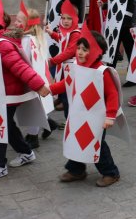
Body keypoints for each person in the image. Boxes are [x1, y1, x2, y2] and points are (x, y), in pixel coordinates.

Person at [0, 1, 51, 181]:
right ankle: (26, 152)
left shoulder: (1, 44)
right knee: (7, 126)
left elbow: (19, 66)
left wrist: (39, 85)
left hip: (6, 93)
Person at [56, 30, 121, 187]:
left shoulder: (101, 71)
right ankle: (76, 169)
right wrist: (49, 89)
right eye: (79, 48)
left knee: (96, 143)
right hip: (78, 113)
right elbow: (66, 83)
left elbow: (112, 94)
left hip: (97, 116)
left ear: (97, 52)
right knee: (75, 139)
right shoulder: (76, 67)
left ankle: (110, 172)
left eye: (85, 49)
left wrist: (110, 116)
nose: (80, 52)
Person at [14, 1, 59, 148]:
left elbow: (26, 61)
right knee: (36, 106)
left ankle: (33, 137)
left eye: (19, 21)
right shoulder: (35, 37)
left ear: (28, 24)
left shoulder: (28, 40)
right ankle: (49, 124)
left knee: (34, 107)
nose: (15, 22)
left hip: (34, 80)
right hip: (36, 79)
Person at [47, 0, 81, 119]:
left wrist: (53, 61)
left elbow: (69, 51)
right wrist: (52, 34)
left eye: (69, 18)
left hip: (71, 68)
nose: (66, 21)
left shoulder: (75, 33)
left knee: (68, 97)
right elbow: (62, 41)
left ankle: (70, 121)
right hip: (63, 68)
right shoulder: (66, 32)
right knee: (64, 93)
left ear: (76, 19)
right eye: (64, 18)